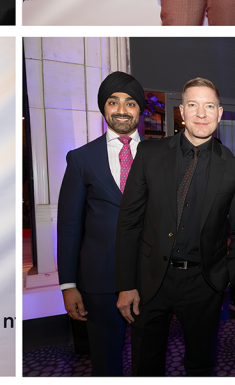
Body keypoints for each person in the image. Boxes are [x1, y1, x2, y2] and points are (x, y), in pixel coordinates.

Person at [115, 78, 235, 376]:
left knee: (201, 365)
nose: (201, 113)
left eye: (209, 106)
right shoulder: (149, 154)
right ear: (182, 113)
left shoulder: (232, 166)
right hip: (149, 282)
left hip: (204, 284)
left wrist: (225, 277)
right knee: (146, 364)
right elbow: (129, 223)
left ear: (220, 112)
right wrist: (125, 284)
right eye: (193, 105)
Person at [57, 71, 146, 376]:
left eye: (130, 103)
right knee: (106, 363)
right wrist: (68, 284)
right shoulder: (81, 158)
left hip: (150, 279)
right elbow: (69, 226)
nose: (122, 109)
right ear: (103, 107)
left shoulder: (158, 155)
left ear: (140, 109)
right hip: (99, 282)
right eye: (113, 102)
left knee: (149, 360)